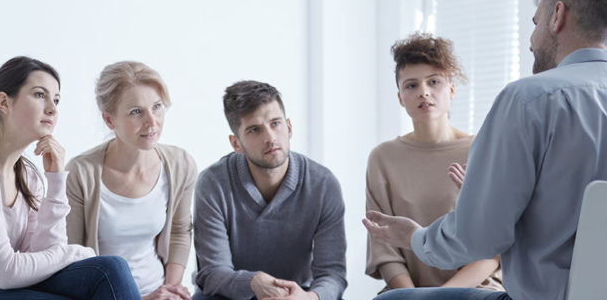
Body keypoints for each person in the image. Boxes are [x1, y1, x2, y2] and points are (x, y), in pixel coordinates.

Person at [363, 0, 607, 300]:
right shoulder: (383, 157)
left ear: (557, 16)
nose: (531, 42)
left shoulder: (528, 100)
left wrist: (416, 238)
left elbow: (480, 237)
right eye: (412, 84)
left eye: (535, 23)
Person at [0, 56, 141, 299]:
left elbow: (45, 255)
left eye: (56, 99)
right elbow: (6, 272)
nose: (52, 109)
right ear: (3, 102)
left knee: (111, 269)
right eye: (39, 95)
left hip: (9, 287)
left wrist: (55, 178)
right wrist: (73, 253)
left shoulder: (28, 177)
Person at [366, 32, 502, 293]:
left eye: (434, 82)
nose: (424, 92)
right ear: (400, 98)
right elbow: (385, 249)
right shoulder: (382, 158)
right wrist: (415, 297)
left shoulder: (482, 150)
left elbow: (494, 247)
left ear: (451, 90)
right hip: (408, 294)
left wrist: (440, 297)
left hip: (476, 290)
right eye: (412, 85)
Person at [193, 80, 347, 300]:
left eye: (276, 123)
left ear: (289, 127)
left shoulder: (323, 184)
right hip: (230, 296)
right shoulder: (213, 183)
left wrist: (310, 297)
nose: (270, 138)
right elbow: (212, 273)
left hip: (298, 294)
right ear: (236, 143)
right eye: (254, 130)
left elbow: (332, 274)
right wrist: (253, 282)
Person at [66, 61, 197, 300]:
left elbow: (179, 231)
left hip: (160, 292)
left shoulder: (181, 165)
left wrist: (170, 290)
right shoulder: (80, 173)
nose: (152, 121)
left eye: (157, 107)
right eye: (136, 111)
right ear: (109, 120)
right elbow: (72, 261)